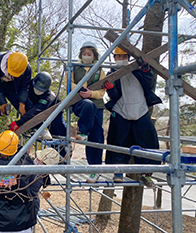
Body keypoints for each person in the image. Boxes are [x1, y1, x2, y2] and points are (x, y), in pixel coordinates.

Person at [0, 130, 55, 233]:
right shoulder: (25, 166)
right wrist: (15, 144)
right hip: (24, 222)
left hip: (0, 222)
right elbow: (24, 154)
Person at [103, 47, 162, 188]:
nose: (120, 59)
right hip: (121, 110)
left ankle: (146, 175)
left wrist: (147, 70)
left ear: (128, 57)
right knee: (117, 142)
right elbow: (115, 96)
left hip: (140, 110)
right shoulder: (112, 73)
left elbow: (149, 84)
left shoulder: (139, 70)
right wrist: (111, 89)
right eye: (118, 57)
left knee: (148, 142)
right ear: (114, 58)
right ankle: (118, 172)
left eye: (123, 56)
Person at [66, 41, 106, 183]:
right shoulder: (74, 67)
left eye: (89, 54)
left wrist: (91, 94)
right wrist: (82, 90)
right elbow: (68, 83)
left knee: (97, 136)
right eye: (84, 54)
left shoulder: (100, 70)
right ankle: (82, 132)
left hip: (97, 104)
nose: (86, 56)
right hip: (80, 102)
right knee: (88, 106)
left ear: (94, 55)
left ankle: (95, 169)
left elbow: (102, 92)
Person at [8, 71, 67, 139]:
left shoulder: (48, 97)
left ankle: (65, 147)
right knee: (28, 108)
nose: (38, 90)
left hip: (54, 113)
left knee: (59, 131)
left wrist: (19, 122)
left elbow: (36, 110)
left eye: (41, 90)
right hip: (36, 108)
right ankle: (38, 129)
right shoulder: (28, 84)